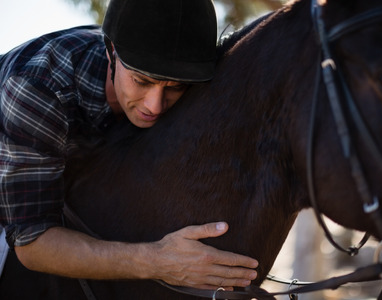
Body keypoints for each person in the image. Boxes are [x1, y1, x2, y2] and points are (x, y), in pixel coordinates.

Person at [0, 0, 258, 292]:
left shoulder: (161, 60)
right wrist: (160, 262)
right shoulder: (37, 86)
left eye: (174, 87)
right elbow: (32, 243)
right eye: (141, 81)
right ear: (111, 51)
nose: (155, 106)